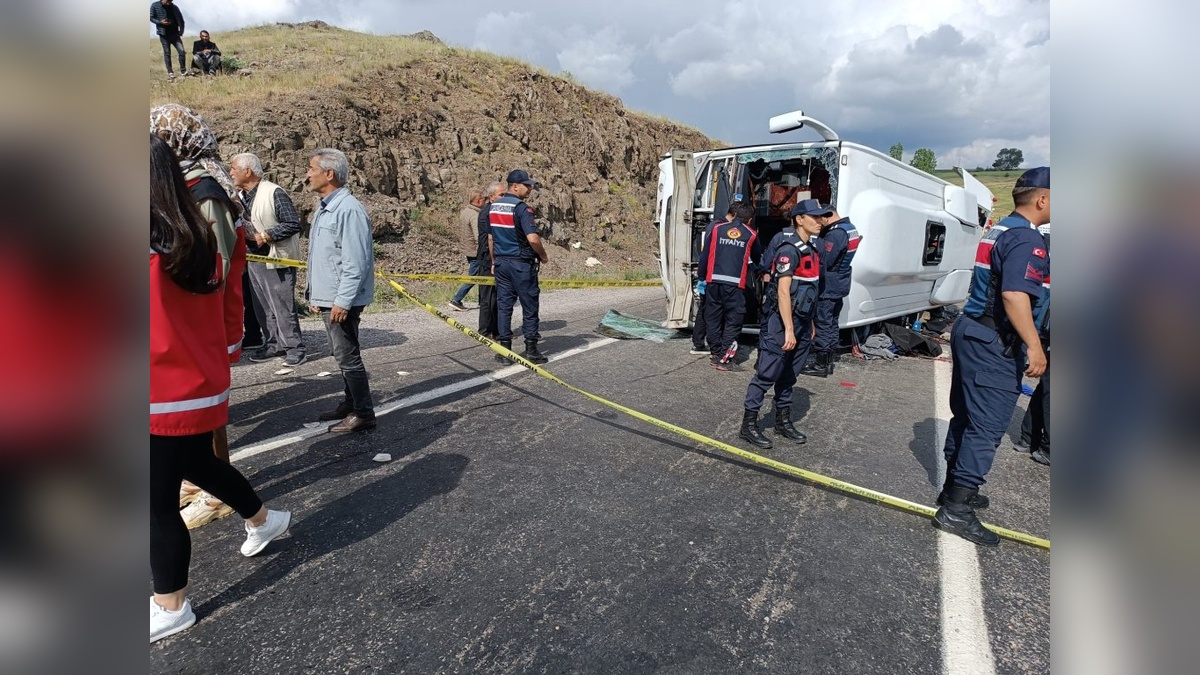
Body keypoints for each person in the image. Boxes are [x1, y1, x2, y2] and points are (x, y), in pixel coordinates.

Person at [150, 133, 290, 643]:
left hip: (157, 384)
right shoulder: (204, 233)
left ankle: (171, 605)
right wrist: (227, 351)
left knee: (154, 501)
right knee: (196, 464)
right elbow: (232, 300)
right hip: (197, 377)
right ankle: (263, 518)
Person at [934, 166, 1051, 546]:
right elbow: (1015, 295)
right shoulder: (1026, 240)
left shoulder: (1001, 228)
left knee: (966, 416)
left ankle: (954, 488)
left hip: (972, 329)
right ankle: (956, 509)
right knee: (986, 427)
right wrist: (1034, 345)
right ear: (1042, 199)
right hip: (994, 341)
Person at [151, 103, 248, 529]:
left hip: (205, 321)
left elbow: (216, 272)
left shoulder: (206, 191)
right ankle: (196, 481)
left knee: (206, 415)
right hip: (191, 321)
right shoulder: (182, 186)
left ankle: (217, 495)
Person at [739, 200, 826, 448]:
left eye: (821, 218)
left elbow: (810, 292)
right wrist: (789, 328)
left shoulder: (813, 249)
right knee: (767, 373)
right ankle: (749, 425)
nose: (820, 222)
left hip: (801, 322)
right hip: (781, 322)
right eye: (815, 217)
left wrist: (809, 325)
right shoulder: (789, 250)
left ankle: (782, 421)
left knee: (789, 375)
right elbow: (784, 292)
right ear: (800, 219)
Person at [306, 148, 378, 432]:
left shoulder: (348, 209)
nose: (307, 175)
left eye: (311, 169)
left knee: (347, 356)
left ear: (329, 174)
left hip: (341, 299)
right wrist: (316, 295)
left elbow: (355, 261)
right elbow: (324, 257)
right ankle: (350, 403)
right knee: (342, 353)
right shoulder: (325, 207)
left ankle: (363, 413)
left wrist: (342, 300)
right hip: (331, 296)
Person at [230, 152, 307, 367]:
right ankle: (274, 343)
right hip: (254, 260)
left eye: (233, 168)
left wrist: (264, 236)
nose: (230, 173)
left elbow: (293, 223)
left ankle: (295, 347)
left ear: (248, 171)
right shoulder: (241, 196)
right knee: (262, 307)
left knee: (282, 306)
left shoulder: (274, 192)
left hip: (277, 260)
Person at [488, 169, 550, 364]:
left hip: (501, 263)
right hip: (521, 264)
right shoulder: (522, 208)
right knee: (529, 305)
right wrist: (543, 255)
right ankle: (532, 350)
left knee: (504, 306)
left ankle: (505, 352)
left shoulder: (494, 207)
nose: (530, 188)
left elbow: (490, 238)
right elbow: (532, 238)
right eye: (527, 185)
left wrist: (493, 261)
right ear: (515, 186)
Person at [697, 202, 761, 370]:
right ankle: (725, 358)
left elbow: (705, 255)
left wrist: (702, 276)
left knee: (713, 318)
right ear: (749, 219)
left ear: (734, 214)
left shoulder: (717, 229)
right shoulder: (751, 234)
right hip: (734, 284)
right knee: (734, 320)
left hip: (713, 281)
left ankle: (716, 353)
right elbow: (756, 257)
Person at [802, 205, 862, 377]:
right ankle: (828, 360)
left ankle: (821, 364)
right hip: (840, 283)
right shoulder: (850, 228)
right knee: (832, 322)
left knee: (823, 322)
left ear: (828, 217)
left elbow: (826, 260)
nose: (819, 223)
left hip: (829, 284)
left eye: (820, 219)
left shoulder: (835, 234)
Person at [477, 181, 504, 339]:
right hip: (488, 258)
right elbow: (490, 239)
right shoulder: (488, 212)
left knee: (495, 295)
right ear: (492, 197)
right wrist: (493, 261)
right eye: (501, 195)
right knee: (488, 296)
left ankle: (495, 330)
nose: (504, 197)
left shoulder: (492, 210)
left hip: (489, 257)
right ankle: (486, 331)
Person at [449, 192, 485, 311]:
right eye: (483, 199)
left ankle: (483, 301)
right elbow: (478, 236)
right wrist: (484, 250)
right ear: (478, 201)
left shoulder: (465, 212)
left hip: (468, 249)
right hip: (475, 251)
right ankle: (456, 300)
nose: (485, 202)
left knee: (481, 276)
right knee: (474, 277)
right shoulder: (475, 215)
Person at [150, 0, 187, 80]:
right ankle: (170, 72)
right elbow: (151, 17)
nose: (169, 3)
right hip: (163, 34)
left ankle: (183, 71)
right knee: (167, 53)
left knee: (182, 51)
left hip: (175, 34)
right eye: (167, 1)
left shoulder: (175, 7)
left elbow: (181, 20)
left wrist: (181, 31)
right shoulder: (154, 5)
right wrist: (160, 22)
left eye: (170, 1)